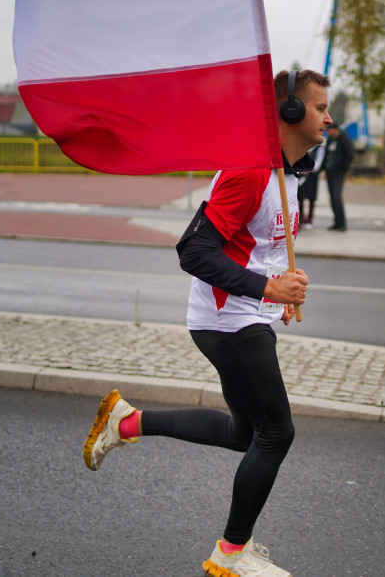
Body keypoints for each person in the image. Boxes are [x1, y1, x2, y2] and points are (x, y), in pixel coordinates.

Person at [83, 69, 332, 577]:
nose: (330, 117)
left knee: (246, 433)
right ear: (288, 112)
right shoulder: (249, 170)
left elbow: (261, 242)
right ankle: (230, 554)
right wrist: (267, 289)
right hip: (227, 321)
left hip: (246, 314)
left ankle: (126, 421)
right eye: (320, 107)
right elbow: (193, 250)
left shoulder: (289, 172)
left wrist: (282, 285)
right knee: (276, 434)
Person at [323, 122, 354, 231]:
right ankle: (336, 221)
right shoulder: (330, 140)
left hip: (338, 173)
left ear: (335, 129)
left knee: (336, 196)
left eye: (329, 130)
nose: (328, 133)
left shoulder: (344, 140)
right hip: (329, 172)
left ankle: (342, 223)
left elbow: (349, 156)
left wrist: (342, 169)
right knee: (332, 197)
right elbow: (326, 154)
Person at [297, 139, 324, 228]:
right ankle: (300, 218)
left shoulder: (319, 149)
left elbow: (318, 162)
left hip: (312, 176)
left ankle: (309, 219)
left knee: (311, 197)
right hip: (301, 174)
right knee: (300, 197)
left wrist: (308, 169)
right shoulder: (303, 147)